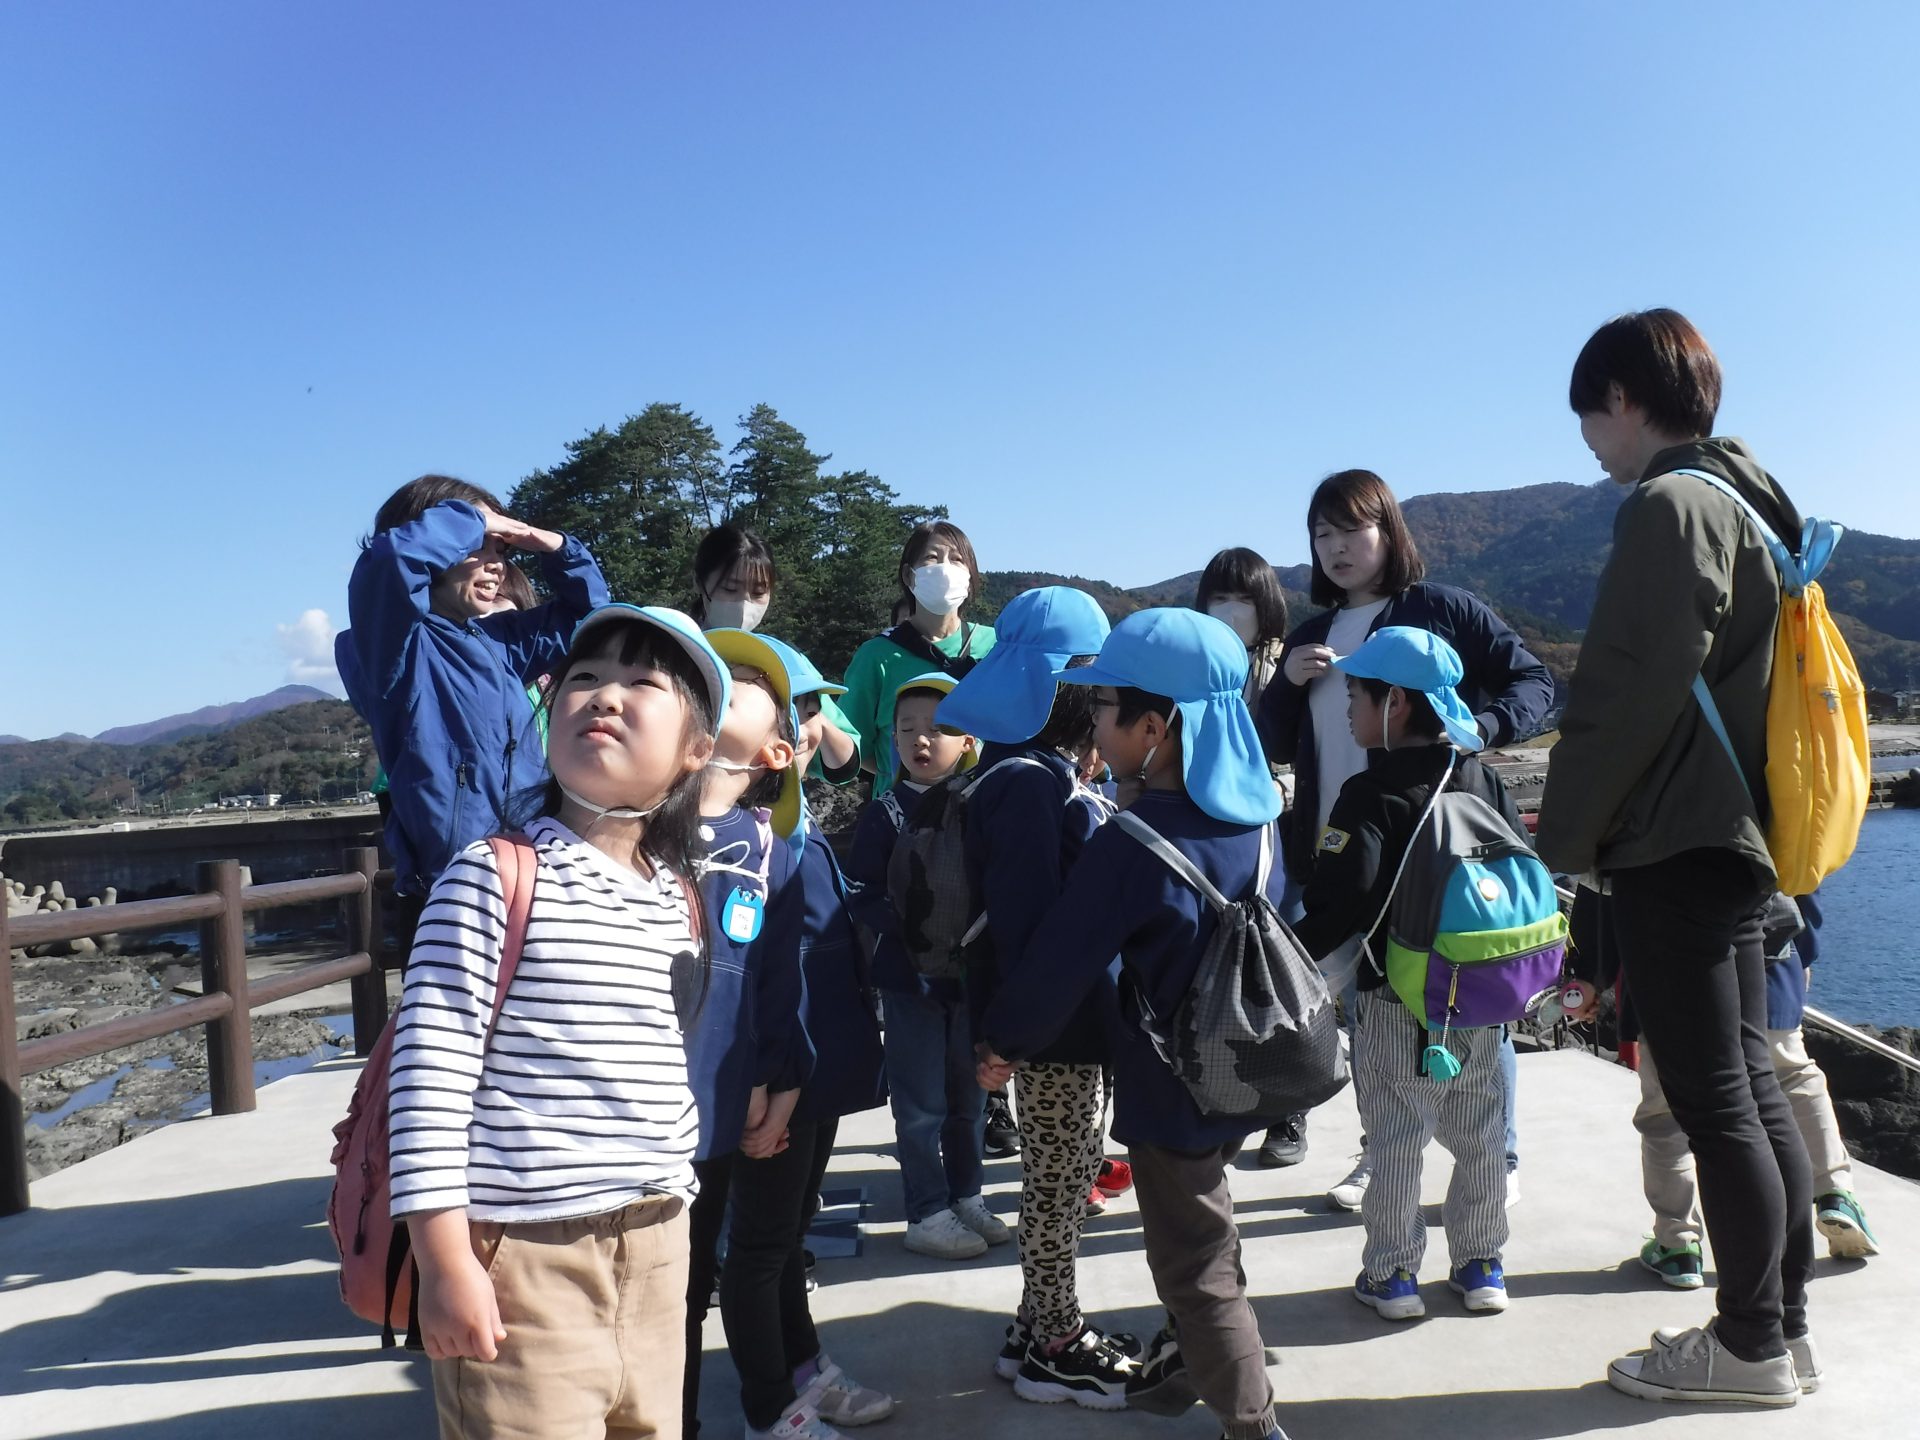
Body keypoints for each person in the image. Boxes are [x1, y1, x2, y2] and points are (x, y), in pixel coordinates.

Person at [1538, 307, 1813, 1406]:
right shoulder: (1746, 499)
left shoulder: (1669, 505)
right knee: (1750, 1088)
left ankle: (1748, 1345)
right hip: (1736, 834)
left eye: (1588, 417)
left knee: (1715, 1102)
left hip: (1675, 834)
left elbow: (1624, 691)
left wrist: (1563, 841)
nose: (1589, 444)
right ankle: (1781, 1330)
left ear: (1622, 397)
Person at [387, 602, 726, 1440]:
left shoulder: (676, 894)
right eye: (584, 678)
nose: (605, 695)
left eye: (642, 682)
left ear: (697, 749)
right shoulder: (491, 875)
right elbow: (427, 1081)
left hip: (658, 1239)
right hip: (525, 1255)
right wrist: (444, 1261)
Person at [978, 606, 1294, 1440]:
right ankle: (1188, 1362)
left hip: (1172, 1089)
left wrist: (1002, 1044)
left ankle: (1251, 1421)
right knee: (1210, 1222)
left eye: (1106, 705)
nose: (1095, 722)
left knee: (1197, 1266)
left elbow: (1059, 961)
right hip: (1247, 1070)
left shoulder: (1135, 840)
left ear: (1155, 730)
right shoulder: (1259, 820)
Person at [1256, 469, 1552, 1209]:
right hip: (1342, 850)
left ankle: (1498, 1156)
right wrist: (1287, 683)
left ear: (1388, 530)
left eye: (1350, 529)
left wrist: (1479, 729)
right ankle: (1380, 1155)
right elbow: (1273, 742)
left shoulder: (1442, 609)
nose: (1335, 547)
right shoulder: (1312, 635)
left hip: (1438, 854)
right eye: (1320, 535)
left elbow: (1535, 683)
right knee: (1371, 1019)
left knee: (1475, 1010)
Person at [687, 629, 892, 1440]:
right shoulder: (736, 844)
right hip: (761, 1083)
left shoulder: (791, 831)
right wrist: (771, 1078)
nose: (806, 723)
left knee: (783, 1235)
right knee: (754, 1247)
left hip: (809, 1074)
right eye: (791, 708)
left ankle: (801, 1370)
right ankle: (770, 1405)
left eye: (810, 707)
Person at [937, 586, 1137, 1408]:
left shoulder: (1027, 772)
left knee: (1066, 1172)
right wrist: (1014, 1037)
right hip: (1054, 1028)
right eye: (1096, 680)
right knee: (1058, 1186)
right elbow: (1030, 927)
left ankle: (1034, 1325)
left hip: (1053, 1020)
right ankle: (1055, 1343)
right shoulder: (1028, 784)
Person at [1292, 627, 1518, 1325]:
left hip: (1397, 997)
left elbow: (1341, 902)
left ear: (1394, 703)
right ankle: (1481, 1264)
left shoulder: (1369, 792)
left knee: (1396, 1136)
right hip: (1480, 994)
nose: (1348, 710)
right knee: (1481, 1132)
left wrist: (1281, 958)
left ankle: (1393, 1274)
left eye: (1355, 696)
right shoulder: (1481, 777)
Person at [337, 475, 610, 915]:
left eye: (502, 551)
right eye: (477, 546)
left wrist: (558, 547)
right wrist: (473, 519)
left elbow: (591, 617)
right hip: (460, 887)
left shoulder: (499, 642)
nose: (496, 564)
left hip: (532, 871)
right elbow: (391, 563)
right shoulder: (396, 648)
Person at [1616, 892, 1878, 1311]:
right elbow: (1803, 873)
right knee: (1793, 1077)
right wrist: (1805, 951)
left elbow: (1604, 889)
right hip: (1769, 957)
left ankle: (1677, 1244)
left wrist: (1591, 972)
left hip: (1667, 971)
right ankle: (1835, 1193)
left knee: (1665, 1112)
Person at [845, 672, 1001, 1261]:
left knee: (970, 1101)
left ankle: (967, 1196)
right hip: (908, 983)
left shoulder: (983, 804)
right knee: (920, 1107)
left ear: (968, 741)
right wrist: (907, 932)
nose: (920, 740)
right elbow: (860, 891)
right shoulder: (884, 813)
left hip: (969, 980)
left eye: (937, 728)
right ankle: (927, 1212)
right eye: (906, 729)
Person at [838, 522, 996, 797]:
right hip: (902, 812)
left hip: (982, 808)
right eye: (932, 557)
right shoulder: (877, 656)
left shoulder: (995, 647)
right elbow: (855, 745)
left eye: (957, 559)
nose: (945, 568)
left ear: (970, 576)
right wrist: (902, 773)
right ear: (909, 575)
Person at [691, 523, 777, 633]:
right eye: (730, 588)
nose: (745, 604)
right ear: (699, 583)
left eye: (758, 592)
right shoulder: (675, 642)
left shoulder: (769, 645)